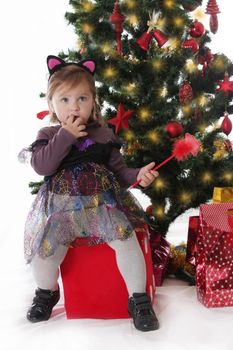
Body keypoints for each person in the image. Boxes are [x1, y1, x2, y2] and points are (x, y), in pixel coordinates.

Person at [22, 55, 159, 332]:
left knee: (127, 241)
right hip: (62, 214)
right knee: (44, 254)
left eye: (82, 99)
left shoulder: (102, 134)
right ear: (52, 105)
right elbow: (41, 165)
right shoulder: (49, 134)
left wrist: (138, 175)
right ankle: (46, 292)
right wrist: (66, 135)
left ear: (93, 101)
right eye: (65, 100)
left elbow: (121, 172)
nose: (74, 106)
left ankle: (139, 299)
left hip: (102, 210)